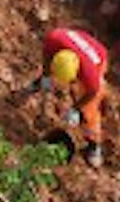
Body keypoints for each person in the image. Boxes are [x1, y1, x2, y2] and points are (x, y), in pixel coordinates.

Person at [26, 27, 109, 167]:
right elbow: (47, 55)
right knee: (48, 76)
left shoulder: (90, 75)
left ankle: (94, 145)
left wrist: (75, 109)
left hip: (98, 57)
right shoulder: (54, 39)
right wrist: (46, 76)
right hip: (77, 46)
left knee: (90, 111)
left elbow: (92, 93)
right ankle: (38, 84)